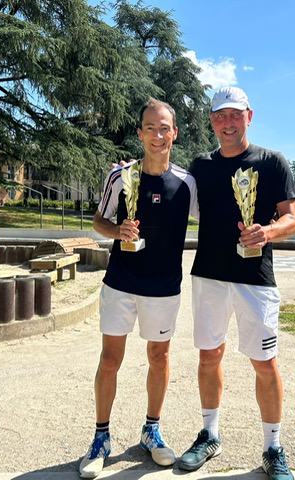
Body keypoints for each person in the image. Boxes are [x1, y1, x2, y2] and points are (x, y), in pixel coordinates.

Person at [178, 86, 295, 480]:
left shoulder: (272, 162)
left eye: (234, 114)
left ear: (249, 116)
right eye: (219, 116)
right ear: (211, 121)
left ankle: (273, 447)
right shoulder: (200, 165)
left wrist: (267, 232)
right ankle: (210, 434)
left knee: (264, 363)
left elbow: (292, 218)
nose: (227, 123)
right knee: (209, 357)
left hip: (255, 279)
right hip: (209, 276)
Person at [79, 98, 199, 478]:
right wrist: (117, 231)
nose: (158, 135)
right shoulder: (121, 177)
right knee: (110, 360)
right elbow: (98, 221)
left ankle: (151, 430)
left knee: (159, 359)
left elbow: (216, 217)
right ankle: (101, 438)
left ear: (174, 133)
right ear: (140, 133)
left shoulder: (187, 184)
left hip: (164, 289)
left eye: (165, 128)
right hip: (121, 284)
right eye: (151, 128)